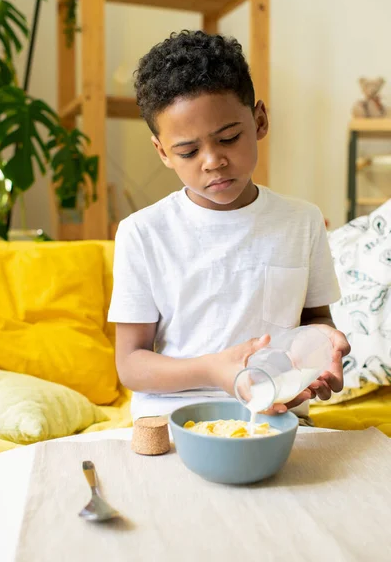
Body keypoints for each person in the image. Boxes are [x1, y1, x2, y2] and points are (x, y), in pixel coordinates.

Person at [108, 30, 350, 421]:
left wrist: (323, 349)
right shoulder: (142, 233)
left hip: (276, 412)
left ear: (259, 120)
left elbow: (316, 320)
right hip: (174, 417)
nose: (212, 161)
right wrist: (213, 370)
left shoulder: (302, 221)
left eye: (229, 138)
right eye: (188, 151)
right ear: (162, 152)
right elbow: (131, 363)